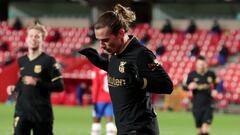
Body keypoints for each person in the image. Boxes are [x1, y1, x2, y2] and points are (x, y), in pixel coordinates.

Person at [79, 4, 173, 135]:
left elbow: (167, 86)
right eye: (99, 40)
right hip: (124, 127)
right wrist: (101, 63)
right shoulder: (116, 51)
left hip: (140, 129)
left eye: (105, 40)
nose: (101, 46)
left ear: (121, 33)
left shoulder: (141, 54)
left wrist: (140, 82)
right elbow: (124, 73)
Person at [6, 22, 64, 135]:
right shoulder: (21, 60)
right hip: (22, 112)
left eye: (37, 36)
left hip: (42, 114)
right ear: (26, 39)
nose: (33, 39)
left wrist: (38, 83)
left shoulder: (49, 61)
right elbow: (23, 82)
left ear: (42, 40)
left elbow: (60, 86)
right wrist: (15, 87)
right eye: (31, 36)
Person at [183, 56, 217, 135]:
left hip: (208, 104)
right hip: (196, 105)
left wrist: (215, 90)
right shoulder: (192, 75)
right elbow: (184, 87)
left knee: (205, 128)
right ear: (196, 64)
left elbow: (216, 84)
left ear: (206, 64)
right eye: (199, 64)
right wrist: (189, 86)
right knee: (199, 130)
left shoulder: (211, 74)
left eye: (202, 64)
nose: (201, 66)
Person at [91, 52, 116, 135]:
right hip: (111, 98)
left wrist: (94, 101)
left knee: (96, 120)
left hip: (99, 99)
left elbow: (95, 86)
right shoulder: (112, 68)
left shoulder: (97, 70)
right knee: (109, 120)